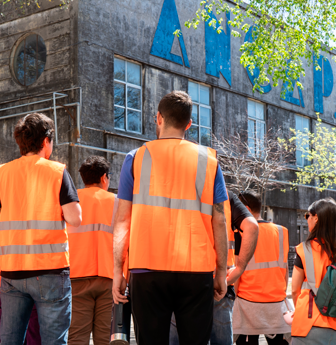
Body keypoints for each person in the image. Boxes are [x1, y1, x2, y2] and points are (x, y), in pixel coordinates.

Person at [112, 91, 229, 345]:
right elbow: (219, 220)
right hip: (196, 270)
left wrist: (117, 271)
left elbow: (122, 220)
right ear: (189, 124)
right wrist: (221, 271)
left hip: (146, 269)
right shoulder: (209, 161)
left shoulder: (136, 158)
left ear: (158, 118)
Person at [0, 112, 82, 345]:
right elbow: (74, 218)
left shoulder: (1, 172)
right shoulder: (57, 171)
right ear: (46, 141)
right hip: (50, 270)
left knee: (10, 340)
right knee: (53, 341)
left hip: (12, 271)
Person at [170, 191, 259, 345]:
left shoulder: (175, 189)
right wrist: (238, 269)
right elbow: (251, 227)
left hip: (179, 281)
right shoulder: (225, 196)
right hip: (218, 284)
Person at [291, 198, 336, 344]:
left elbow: (295, 291)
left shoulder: (304, 249)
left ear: (316, 218)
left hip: (309, 326)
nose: (307, 219)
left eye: (308, 216)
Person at [68, 156, 117, 345]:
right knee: (106, 338)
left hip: (77, 277)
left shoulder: (71, 202)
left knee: (77, 337)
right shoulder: (118, 202)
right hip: (109, 278)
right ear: (104, 177)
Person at [233, 191, 291, 345]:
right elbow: (285, 270)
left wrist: (235, 299)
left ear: (245, 208)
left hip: (248, 304)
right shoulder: (281, 231)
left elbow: (237, 272)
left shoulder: (241, 232)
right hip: (276, 304)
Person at [0, 224, 42, 344]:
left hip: (4, 286)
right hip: (34, 285)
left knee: (8, 337)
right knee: (34, 337)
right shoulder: (37, 225)